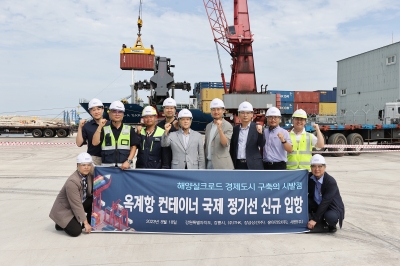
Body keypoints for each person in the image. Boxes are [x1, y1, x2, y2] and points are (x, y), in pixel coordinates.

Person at [49, 152, 93, 237]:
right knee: (76, 231)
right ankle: (60, 222)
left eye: (88, 165)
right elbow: (76, 205)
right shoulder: (72, 182)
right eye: (83, 165)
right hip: (65, 209)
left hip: (79, 203)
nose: (86, 167)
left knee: (94, 200)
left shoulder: (88, 175)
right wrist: (86, 222)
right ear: (77, 166)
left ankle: (71, 222)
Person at [92, 101, 139, 169]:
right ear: (110, 113)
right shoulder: (104, 129)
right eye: (114, 111)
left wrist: (128, 161)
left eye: (120, 111)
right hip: (107, 168)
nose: (117, 114)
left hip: (125, 168)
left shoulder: (129, 129)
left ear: (123, 114)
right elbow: (95, 143)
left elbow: (134, 147)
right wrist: (99, 127)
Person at [307, 154, 345, 233]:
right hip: (316, 204)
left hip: (330, 206)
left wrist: (314, 219)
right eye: (314, 166)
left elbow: (325, 202)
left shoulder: (330, 182)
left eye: (320, 166)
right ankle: (319, 218)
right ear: (311, 168)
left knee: (331, 217)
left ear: (325, 167)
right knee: (304, 201)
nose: (317, 169)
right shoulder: (309, 177)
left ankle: (332, 225)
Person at [229, 101, 265, 170]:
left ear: (252, 115)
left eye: (248, 113)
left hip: (253, 165)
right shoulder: (235, 130)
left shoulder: (257, 128)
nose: (245, 115)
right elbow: (232, 148)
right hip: (238, 164)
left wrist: (260, 133)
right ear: (238, 115)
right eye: (242, 113)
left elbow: (262, 144)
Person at [75, 98, 109, 166]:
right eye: (93, 110)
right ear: (90, 112)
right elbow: (79, 143)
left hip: (109, 158)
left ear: (102, 109)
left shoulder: (110, 124)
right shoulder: (87, 126)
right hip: (94, 158)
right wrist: (80, 127)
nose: (96, 112)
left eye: (98, 109)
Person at [204, 98, 234, 169]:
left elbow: (225, 143)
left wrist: (220, 129)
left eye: (218, 109)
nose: (216, 111)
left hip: (222, 165)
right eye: (213, 109)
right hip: (208, 163)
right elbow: (206, 145)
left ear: (223, 110)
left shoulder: (228, 126)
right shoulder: (208, 126)